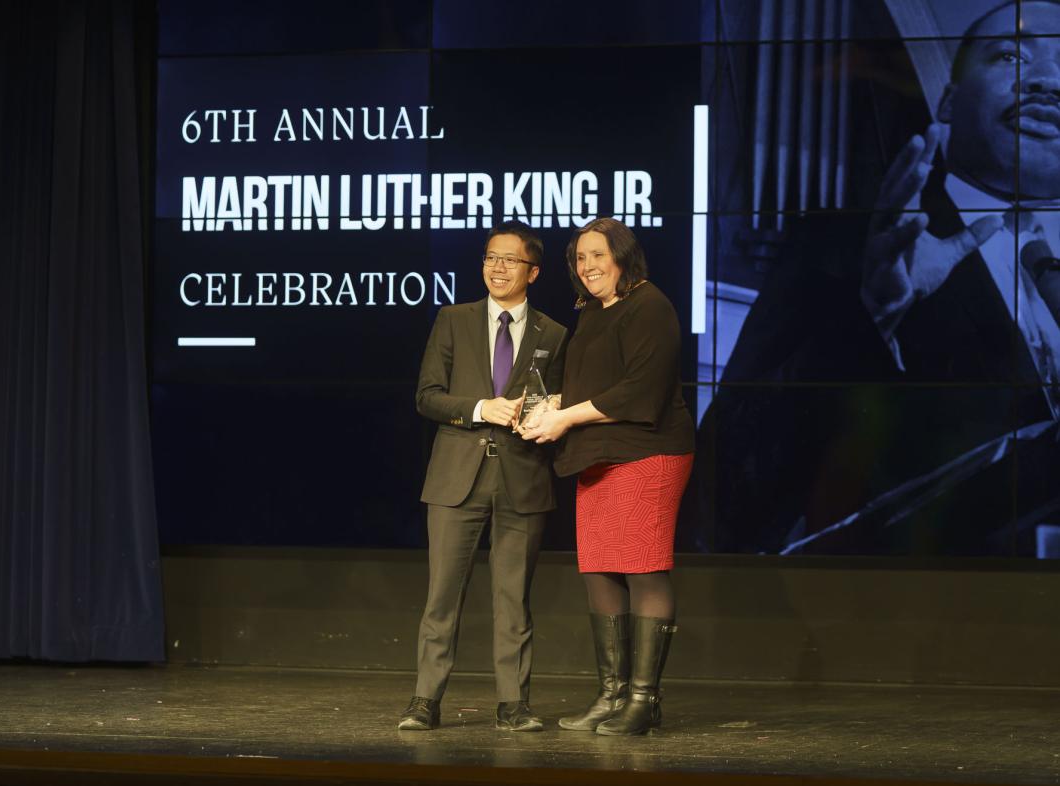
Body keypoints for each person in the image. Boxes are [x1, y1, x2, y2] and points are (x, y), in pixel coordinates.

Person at [698, 0, 1060, 557]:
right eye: (1012, 56)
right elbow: (725, 495)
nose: (1047, 82)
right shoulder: (842, 245)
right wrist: (871, 318)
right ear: (947, 100)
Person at [518, 217, 695, 736]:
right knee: (599, 568)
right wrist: (548, 405)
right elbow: (585, 385)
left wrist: (566, 418)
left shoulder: (650, 305)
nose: (588, 266)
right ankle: (611, 695)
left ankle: (643, 700)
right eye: (580, 258)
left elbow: (641, 389)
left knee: (642, 567)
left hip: (648, 452)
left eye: (598, 255)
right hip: (596, 454)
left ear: (622, 255)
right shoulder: (593, 313)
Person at [398, 220, 568, 732]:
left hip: (522, 476)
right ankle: (425, 700)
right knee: (442, 595)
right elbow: (426, 396)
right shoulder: (453, 319)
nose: (497, 267)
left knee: (513, 598)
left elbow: (557, 402)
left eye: (510, 260)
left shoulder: (554, 334)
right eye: (491, 257)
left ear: (532, 271)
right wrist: (479, 408)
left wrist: (546, 411)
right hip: (456, 476)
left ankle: (513, 704)